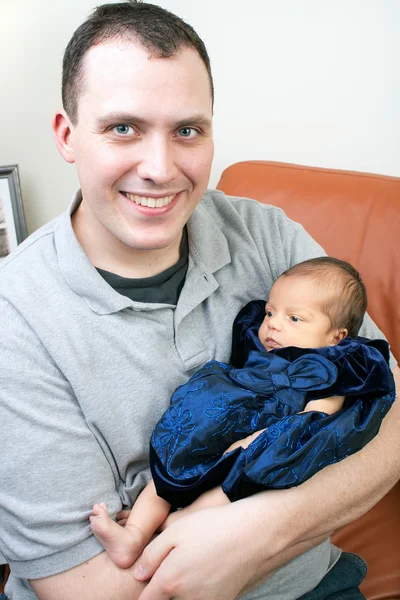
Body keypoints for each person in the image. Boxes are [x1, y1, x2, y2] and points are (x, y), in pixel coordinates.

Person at [0, 2, 398, 600]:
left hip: (311, 581)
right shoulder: (16, 319)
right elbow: (90, 589)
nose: (160, 170)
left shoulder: (264, 232)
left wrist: (256, 535)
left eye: (187, 130)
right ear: (67, 136)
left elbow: (389, 400)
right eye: (123, 128)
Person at [88, 256, 395, 569]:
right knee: (169, 473)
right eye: (271, 312)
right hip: (223, 425)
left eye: (295, 319)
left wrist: (260, 441)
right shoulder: (258, 344)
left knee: (224, 497)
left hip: (256, 452)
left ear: (336, 337)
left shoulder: (331, 372)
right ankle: (134, 535)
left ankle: (172, 525)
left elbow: (314, 426)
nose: (273, 323)